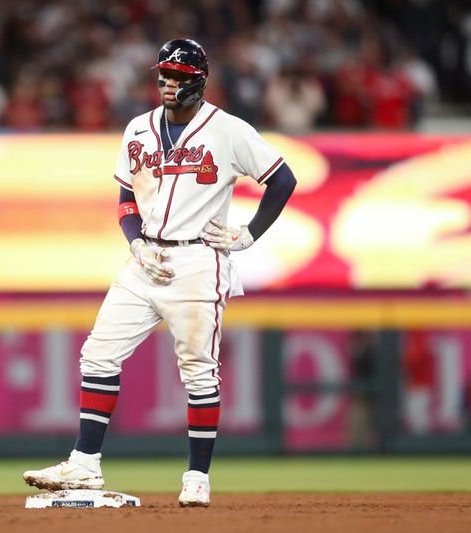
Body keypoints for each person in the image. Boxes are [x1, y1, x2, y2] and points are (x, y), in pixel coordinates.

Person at [23, 38, 296, 507]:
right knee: (98, 355)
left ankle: (197, 477)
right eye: (164, 76)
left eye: (179, 77)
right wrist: (135, 242)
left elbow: (283, 179)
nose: (169, 84)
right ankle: (84, 463)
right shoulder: (139, 128)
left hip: (197, 260)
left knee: (198, 373)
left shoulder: (228, 130)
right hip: (145, 259)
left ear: (200, 81)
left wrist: (248, 235)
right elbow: (127, 198)